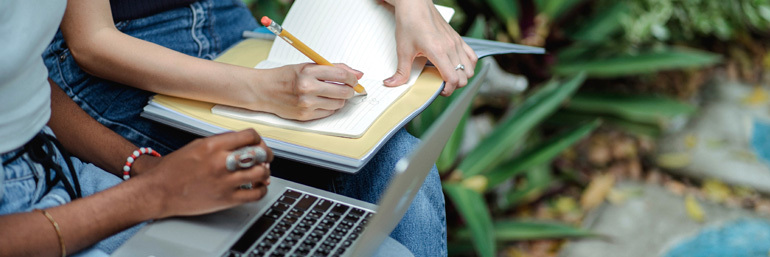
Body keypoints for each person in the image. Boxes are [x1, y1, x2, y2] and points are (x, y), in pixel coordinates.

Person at [44, 0, 477, 255]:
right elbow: (91, 42)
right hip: (124, 61)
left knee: (402, 168)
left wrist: (411, 5)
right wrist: (260, 89)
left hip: (227, 24)